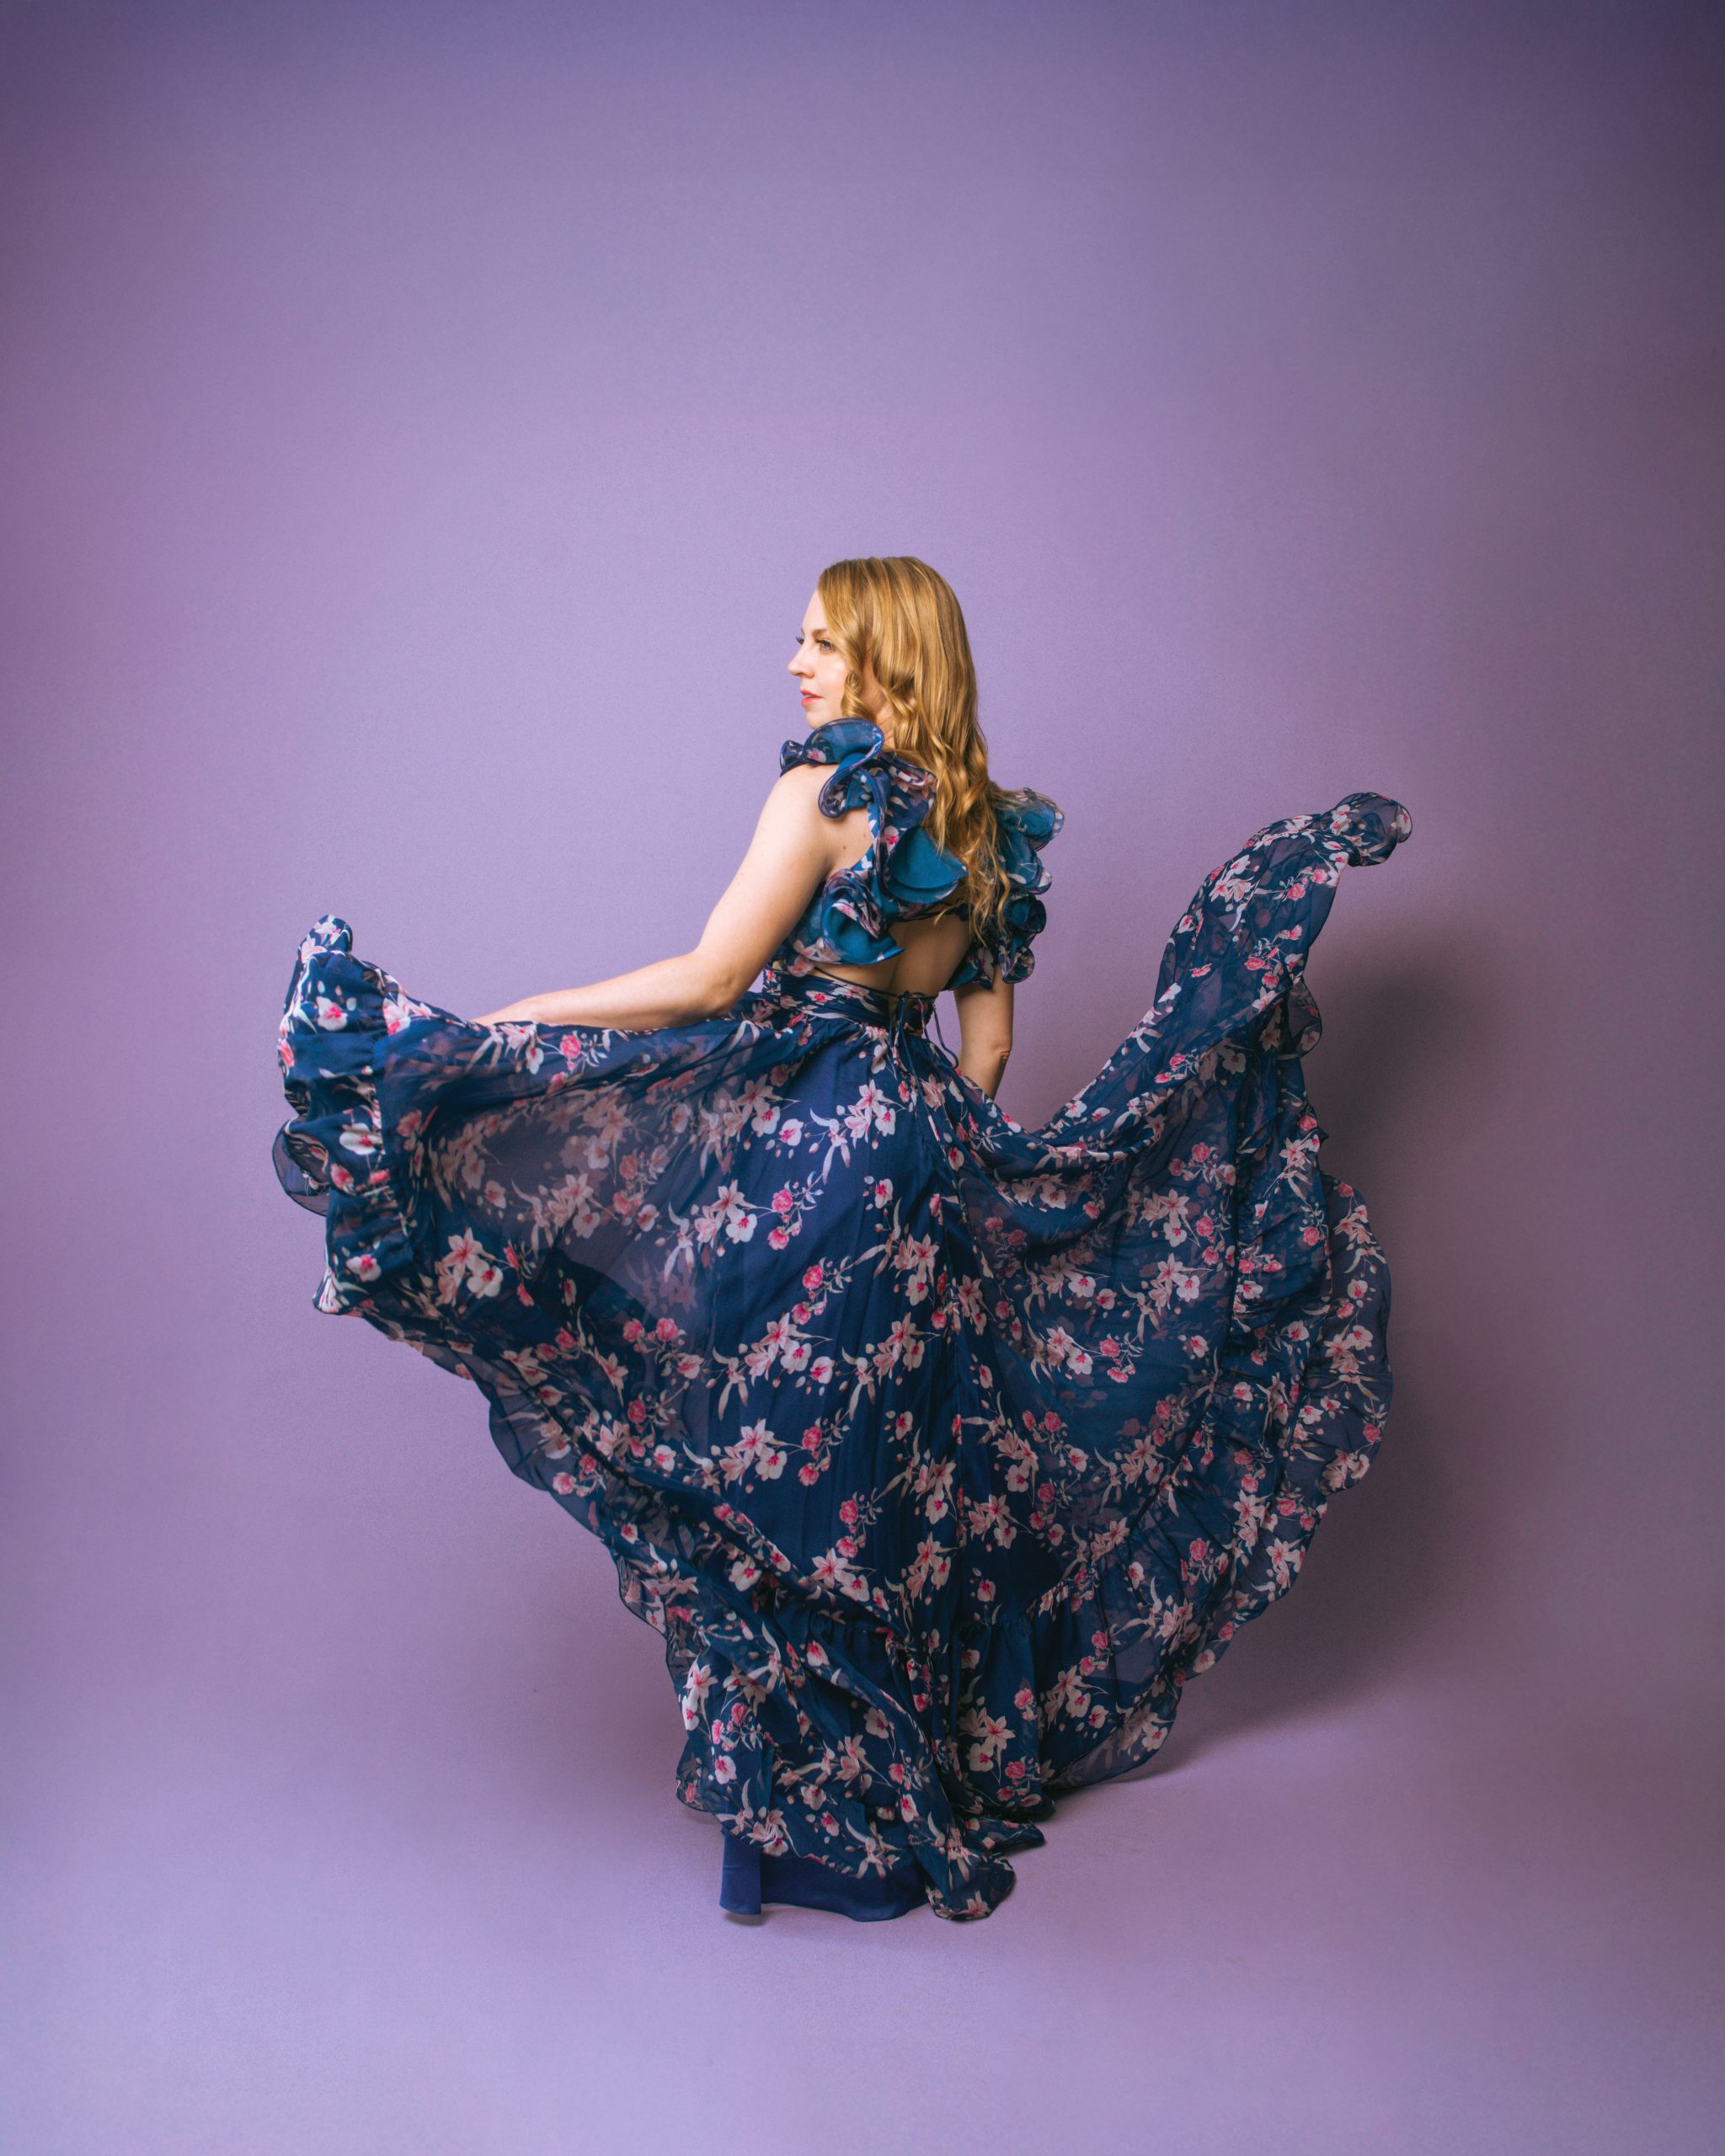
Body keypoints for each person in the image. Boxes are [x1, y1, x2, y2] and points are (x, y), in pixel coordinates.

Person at [272, 554, 1412, 1924]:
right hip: (912, 1153)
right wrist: (934, 1155)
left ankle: (820, 1828)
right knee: (888, 1471)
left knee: (778, 1459)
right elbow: (987, 1047)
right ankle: (893, 1791)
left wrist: (510, 1029)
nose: (798, 664)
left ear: (886, 655)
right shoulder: (987, 830)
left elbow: (709, 979)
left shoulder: (826, 793)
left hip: (805, 1155)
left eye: (822, 641)